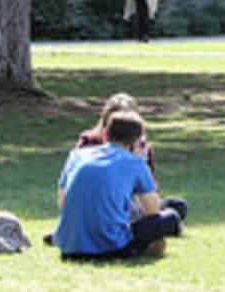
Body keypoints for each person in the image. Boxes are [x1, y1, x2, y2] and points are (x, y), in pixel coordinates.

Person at [54, 110, 183, 260]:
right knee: (171, 217)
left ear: (106, 135)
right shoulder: (136, 163)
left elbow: (62, 201)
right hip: (111, 249)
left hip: (69, 248)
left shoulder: (77, 156)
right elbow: (152, 212)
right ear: (136, 142)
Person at [73, 92, 187, 222]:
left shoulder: (140, 148)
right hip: (101, 204)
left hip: (135, 200)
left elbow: (150, 184)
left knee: (178, 206)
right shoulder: (89, 144)